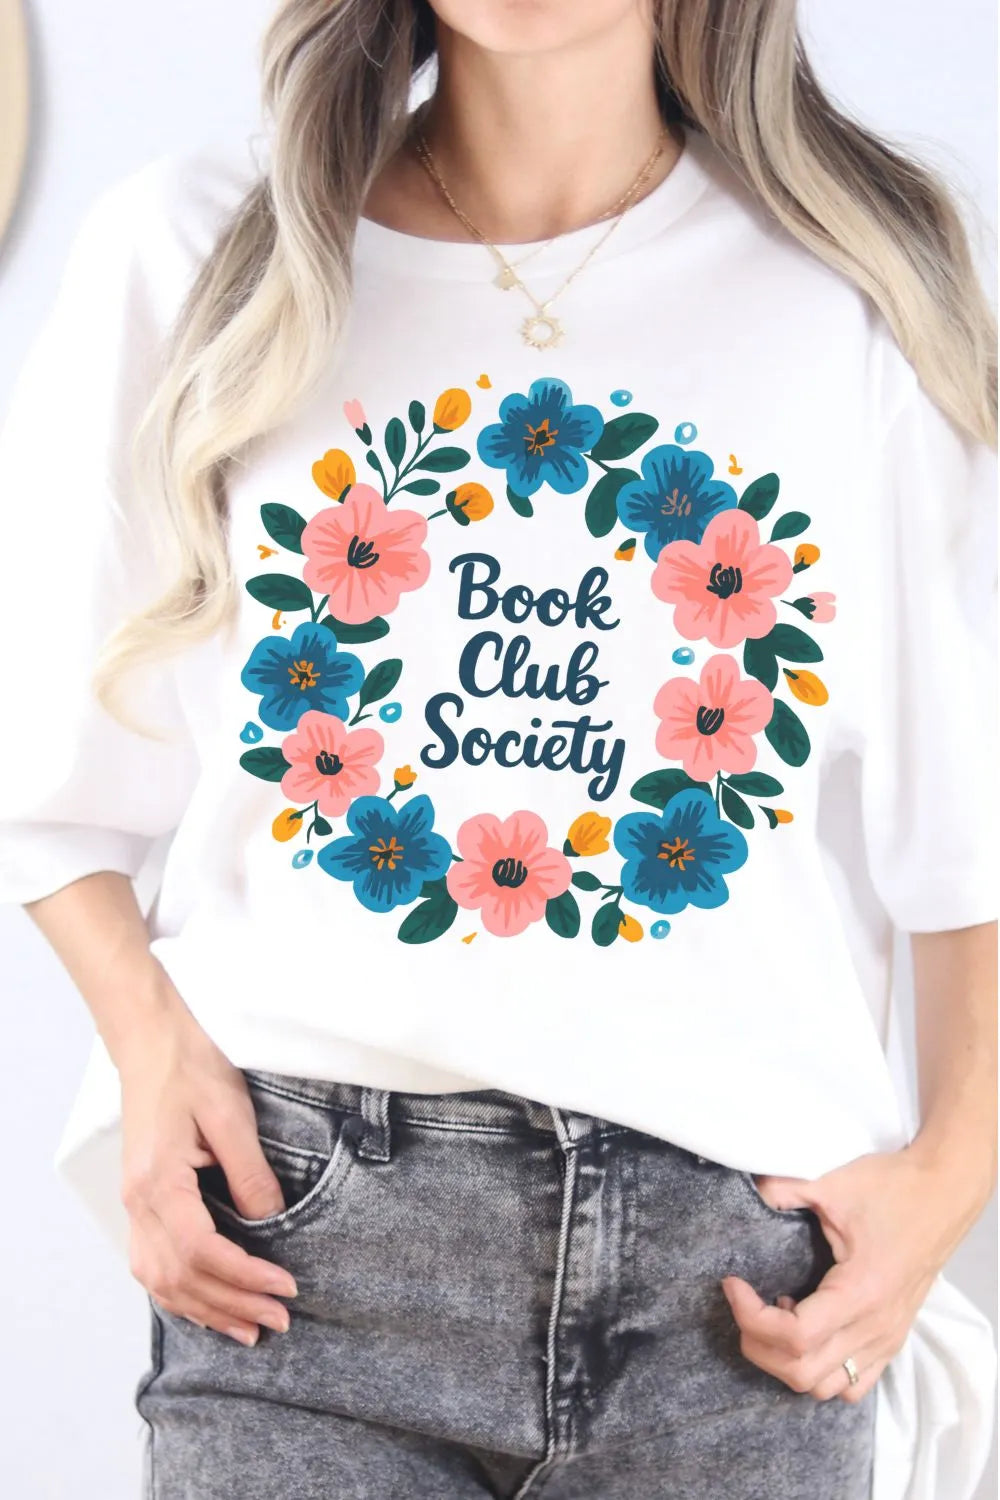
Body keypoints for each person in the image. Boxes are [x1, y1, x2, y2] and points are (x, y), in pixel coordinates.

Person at [0, 2, 996, 1496]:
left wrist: (953, 1171)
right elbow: (45, 745)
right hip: (305, 1273)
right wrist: (145, 1049)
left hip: (732, 1296)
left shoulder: (857, 281)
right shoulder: (200, 249)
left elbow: (970, 797)